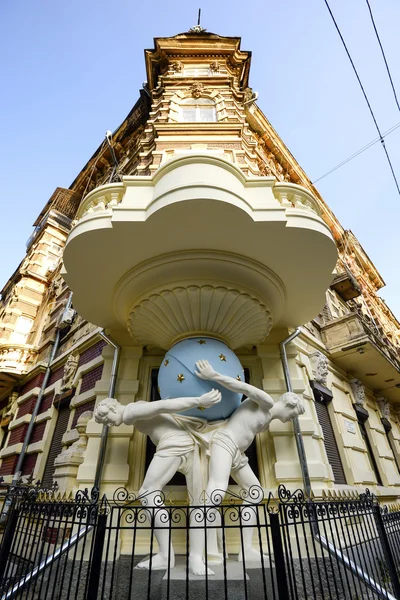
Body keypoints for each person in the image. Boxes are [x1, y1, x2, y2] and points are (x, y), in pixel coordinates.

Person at [94, 388, 221, 574]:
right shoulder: (135, 408)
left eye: (107, 421)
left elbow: (164, 405)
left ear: (112, 410)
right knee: (198, 503)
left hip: (174, 444)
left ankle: (165, 556)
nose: (110, 425)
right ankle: (195, 558)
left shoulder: (129, 412)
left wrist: (199, 400)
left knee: (147, 493)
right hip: (187, 443)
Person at [191, 359, 305, 564]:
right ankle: (200, 549)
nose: (290, 419)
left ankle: (246, 549)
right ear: (289, 405)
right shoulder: (267, 402)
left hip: (237, 454)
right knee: (216, 489)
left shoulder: (268, 419)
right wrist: (213, 375)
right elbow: (241, 387)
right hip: (225, 444)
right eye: (293, 415)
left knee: (255, 492)